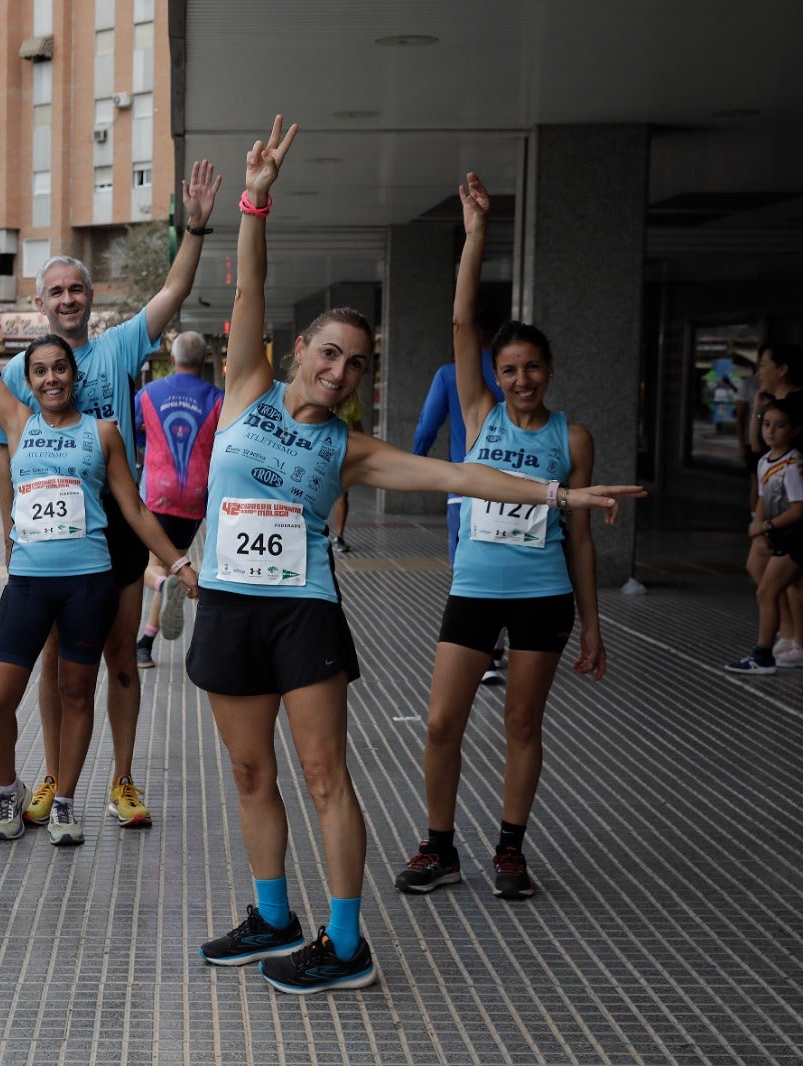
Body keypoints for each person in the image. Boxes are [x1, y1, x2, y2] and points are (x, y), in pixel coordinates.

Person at [192, 126, 642, 995]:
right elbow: (248, 285)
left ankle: (348, 942)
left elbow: (461, 471)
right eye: (329, 354)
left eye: (356, 364)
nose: (341, 371)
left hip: (302, 611)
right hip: (225, 603)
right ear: (298, 355)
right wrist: (255, 198)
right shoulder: (245, 383)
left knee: (325, 774)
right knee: (251, 772)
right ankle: (272, 915)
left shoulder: (352, 450)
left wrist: (559, 497)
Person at [394, 170, 638, 906]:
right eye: (510, 370)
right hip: (473, 589)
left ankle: (509, 848)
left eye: (532, 367)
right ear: (494, 377)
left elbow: (582, 541)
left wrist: (593, 626)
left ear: (549, 370)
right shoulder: (479, 416)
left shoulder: (575, 438)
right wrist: (475, 236)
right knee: (441, 723)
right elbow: (463, 324)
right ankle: (439, 847)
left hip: (543, 595)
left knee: (523, 721)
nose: (521, 378)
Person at [0, 160, 223, 831]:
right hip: (50, 542)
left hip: (114, 530)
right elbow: (11, 454)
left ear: (89, 299)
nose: (66, 299)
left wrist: (197, 226)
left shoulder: (120, 346)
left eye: (75, 290)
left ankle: (121, 779)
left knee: (120, 658)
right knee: (53, 661)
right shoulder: (20, 367)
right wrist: (10, 537)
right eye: (55, 291)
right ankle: (55, 777)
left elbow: (176, 288)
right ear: (40, 303)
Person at [0, 276, 198, 846]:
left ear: (75, 375)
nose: (51, 378)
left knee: (77, 692)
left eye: (60, 369)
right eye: (40, 371)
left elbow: (134, 509)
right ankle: (8, 788)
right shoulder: (17, 422)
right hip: (30, 586)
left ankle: (64, 802)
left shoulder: (103, 431)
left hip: (91, 582)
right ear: (29, 381)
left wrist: (179, 562)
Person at [412, 327, 508, 684]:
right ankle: (496, 649)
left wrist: (415, 464)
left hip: (465, 492)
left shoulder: (449, 374)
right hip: (516, 489)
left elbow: (426, 427)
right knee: (506, 563)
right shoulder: (510, 372)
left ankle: (482, 653)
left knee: (468, 571)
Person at [132, 331, 223, 669]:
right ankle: (145, 643)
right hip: (194, 498)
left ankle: (163, 586)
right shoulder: (217, 399)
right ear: (203, 361)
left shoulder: (149, 394)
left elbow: (131, 430)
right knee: (175, 562)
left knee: (147, 565)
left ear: (172, 359)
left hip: (156, 494)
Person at [725, 392, 803, 672]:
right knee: (766, 578)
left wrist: (767, 526)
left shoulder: (793, 466)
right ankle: (788, 638)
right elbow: (761, 499)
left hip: (795, 536)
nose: (770, 431)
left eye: (779, 425)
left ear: (794, 430)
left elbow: (798, 510)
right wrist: (758, 528)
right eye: (766, 423)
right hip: (778, 533)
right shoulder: (764, 461)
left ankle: (764, 654)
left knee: (768, 591)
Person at [326, 398, 363, 554]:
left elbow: (359, 430)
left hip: (341, 455)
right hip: (316, 451)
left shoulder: (351, 402)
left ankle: (339, 536)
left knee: (342, 496)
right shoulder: (321, 398)